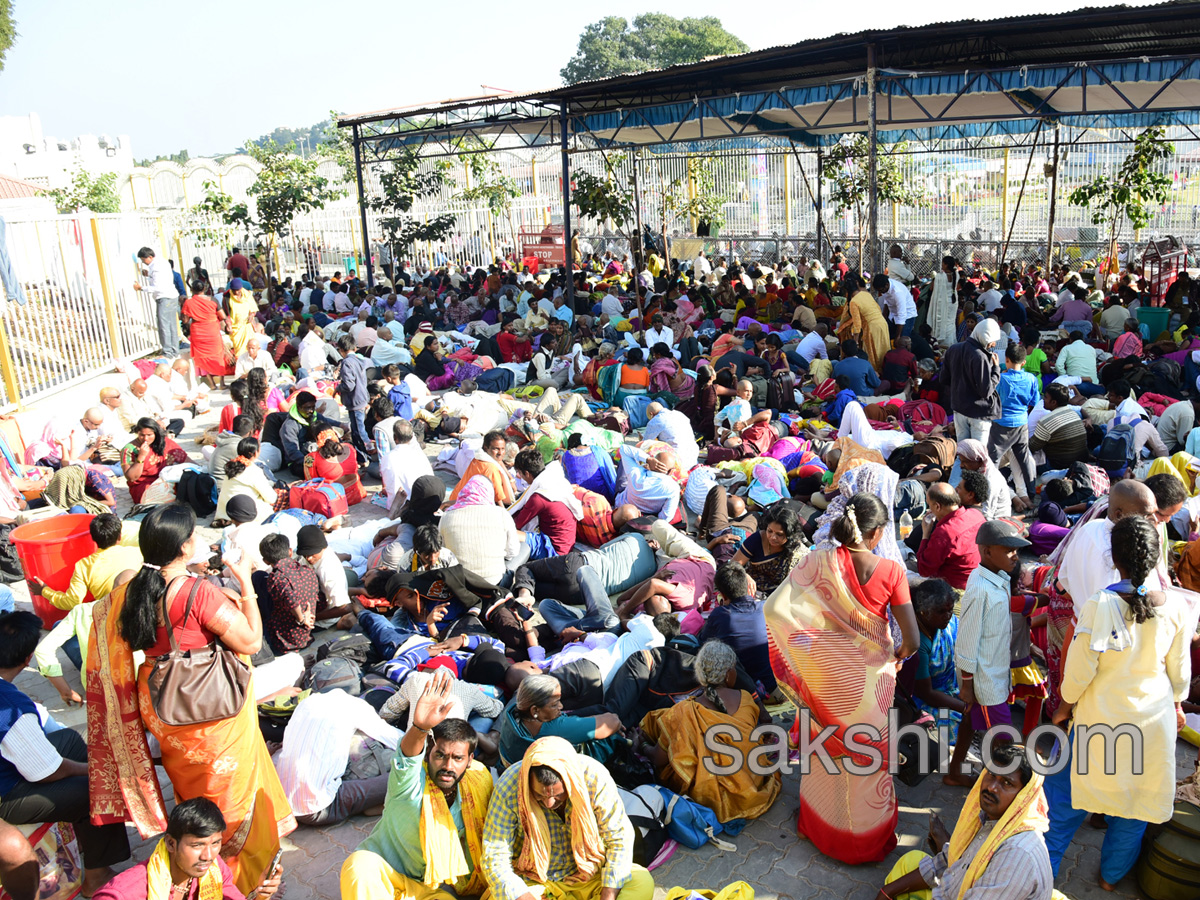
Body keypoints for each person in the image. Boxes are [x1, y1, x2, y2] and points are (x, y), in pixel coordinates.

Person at [88, 504, 294, 894]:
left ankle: (194, 863)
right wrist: (245, 583)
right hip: (208, 707)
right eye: (195, 535)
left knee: (193, 789)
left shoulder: (131, 591)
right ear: (184, 547)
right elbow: (250, 641)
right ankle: (240, 879)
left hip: (162, 703)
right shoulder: (198, 593)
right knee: (232, 797)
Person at [765, 493, 919, 864]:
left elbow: (775, 608)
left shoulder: (818, 561)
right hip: (871, 685)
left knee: (826, 758)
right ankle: (865, 841)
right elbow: (911, 639)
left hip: (827, 680)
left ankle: (822, 828)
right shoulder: (891, 572)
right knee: (867, 760)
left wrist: (810, 655)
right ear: (878, 532)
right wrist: (894, 658)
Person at [1044, 515, 1194, 889]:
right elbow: (1180, 675)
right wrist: (1176, 704)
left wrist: (1064, 709)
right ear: (1157, 555)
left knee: (1063, 801)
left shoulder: (1101, 603)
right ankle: (1111, 878)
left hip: (1100, 721)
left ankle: (1042, 876)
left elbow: (1079, 673)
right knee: (1134, 806)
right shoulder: (1178, 607)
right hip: (1153, 722)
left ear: (1114, 558)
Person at [0, 611, 131, 897]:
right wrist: (92, 770)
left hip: (9, 769)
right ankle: (96, 876)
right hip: (5, 797)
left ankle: (87, 836)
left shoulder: (10, 699)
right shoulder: (12, 705)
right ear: (26, 660)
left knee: (71, 740)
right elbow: (46, 771)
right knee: (96, 789)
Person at [341, 672, 493, 900]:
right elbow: (408, 755)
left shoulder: (478, 780)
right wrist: (420, 727)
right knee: (359, 865)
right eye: (440, 755)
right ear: (428, 754)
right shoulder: (409, 782)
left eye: (458, 759)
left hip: (427, 890)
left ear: (470, 761)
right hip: (384, 877)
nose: (447, 766)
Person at [480, 735, 654, 900]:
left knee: (640, 881)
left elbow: (619, 838)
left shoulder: (593, 777)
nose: (549, 803)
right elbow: (495, 855)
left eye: (558, 795)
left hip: (589, 875)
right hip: (537, 881)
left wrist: (608, 895)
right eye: (539, 796)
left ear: (570, 779)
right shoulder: (510, 786)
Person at [877, 743, 1054, 900]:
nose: (992, 787)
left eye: (1007, 783)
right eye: (991, 775)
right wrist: (886, 891)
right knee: (910, 862)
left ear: (1024, 797)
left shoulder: (1017, 854)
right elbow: (948, 860)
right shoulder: (991, 819)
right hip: (959, 890)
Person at [639, 640, 781, 822]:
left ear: (700, 676)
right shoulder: (746, 700)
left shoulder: (683, 712)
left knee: (661, 723)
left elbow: (658, 759)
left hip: (704, 799)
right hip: (751, 789)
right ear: (730, 674)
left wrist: (641, 745)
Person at [91, 797, 282, 900]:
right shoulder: (121, 895)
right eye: (197, 845)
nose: (208, 856)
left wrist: (261, 895)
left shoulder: (214, 871)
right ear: (171, 844)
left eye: (215, 843)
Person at [954, 521, 1028, 769]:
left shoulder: (999, 578)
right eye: (1008, 550)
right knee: (1003, 737)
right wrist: (967, 685)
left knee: (969, 722)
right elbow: (966, 642)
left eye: (1016, 550)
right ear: (987, 552)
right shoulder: (980, 589)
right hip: (985, 683)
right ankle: (1000, 779)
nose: (1015, 556)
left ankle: (955, 770)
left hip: (997, 675)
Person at [496, 675, 625, 770]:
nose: (561, 706)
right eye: (554, 704)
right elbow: (612, 722)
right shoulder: (552, 729)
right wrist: (612, 723)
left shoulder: (512, 713)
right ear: (535, 710)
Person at [29, 512, 140, 612]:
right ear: (120, 536)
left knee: (58, 624)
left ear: (93, 538)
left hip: (112, 616)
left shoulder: (85, 566)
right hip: (139, 608)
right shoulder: (137, 553)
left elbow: (72, 602)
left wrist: (44, 590)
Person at [699, 562, 776, 695]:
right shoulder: (766, 607)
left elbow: (702, 641)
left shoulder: (721, 614)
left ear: (723, 595)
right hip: (774, 685)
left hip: (746, 690)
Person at [989, 342, 1040, 511]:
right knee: (1024, 457)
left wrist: (996, 368)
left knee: (993, 460)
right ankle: (1030, 493)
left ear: (1007, 359)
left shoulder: (1001, 379)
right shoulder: (1031, 379)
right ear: (1024, 362)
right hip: (1021, 423)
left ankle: (993, 494)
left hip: (1001, 424)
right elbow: (1034, 401)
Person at [942, 318, 1001, 445]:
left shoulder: (953, 349)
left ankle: (958, 466)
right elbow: (986, 391)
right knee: (977, 456)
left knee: (964, 453)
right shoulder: (980, 356)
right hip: (977, 414)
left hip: (959, 409)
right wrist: (996, 370)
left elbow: (944, 379)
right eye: (992, 341)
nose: (993, 344)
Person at [916, 482, 985, 591]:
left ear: (937, 506)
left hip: (954, 589)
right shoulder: (976, 514)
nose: (929, 510)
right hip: (979, 580)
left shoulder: (944, 532)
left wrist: (925, 534)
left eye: (929, 506)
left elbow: (923, 570)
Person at [121, 417, 188, 504]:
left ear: (155, 434)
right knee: (165, 496)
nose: (145, 439)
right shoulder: (129, 449)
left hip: (165, 479)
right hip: (144, 486)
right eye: (142, 435)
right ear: (137, 433)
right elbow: (132, 478)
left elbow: (184, 459)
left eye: (149, 435)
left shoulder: (164, 442)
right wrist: (141, 457)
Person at [133, 246, 180, 358]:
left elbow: (158, 287)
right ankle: (174, 350)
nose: (144, 262)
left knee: (163, 325)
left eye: (144, 260)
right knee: (172, 325)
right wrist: (148, 275)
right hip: (172, 296)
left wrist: (141, 288)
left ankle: (167, 352)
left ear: (150, 257)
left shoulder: (156, 266)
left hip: (164, 297)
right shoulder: (162, 262)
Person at [837, 273, 891, 372]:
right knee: (883, 351)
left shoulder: (854, 302)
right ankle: (885, 374)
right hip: (882, 324)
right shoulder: (866, 294)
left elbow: (857, 325)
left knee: (873, 355)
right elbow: (878, 309)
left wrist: (855, 343)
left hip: (872, 328)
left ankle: (875, 376)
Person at [448, 430, 516, 507]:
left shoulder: (479, 456)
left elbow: (499, 461)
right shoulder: (490, 468)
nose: (500, 453)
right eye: (496, 449)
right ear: (486, 448)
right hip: (464, 504)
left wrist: (511, 479)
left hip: (456, 497)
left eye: (503, 449)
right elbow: (498, 498)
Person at [304, 430, 366, 506]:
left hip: (334, 499)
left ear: (317, 441)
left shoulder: (311, 457)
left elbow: (312, 482)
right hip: (357, 494)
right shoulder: (349, 447)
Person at [225, 278, 259, 360]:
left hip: (247, 326)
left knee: (251, 347)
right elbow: (226, 313)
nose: (236, 292)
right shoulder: (227, 297)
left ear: (241, 289)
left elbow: (253, 309)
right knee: (239, 350)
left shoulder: (247, 295)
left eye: (237, 290)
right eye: (234, 290)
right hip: (235, 328)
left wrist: (251, 315)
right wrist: (228, 324)